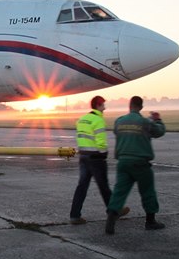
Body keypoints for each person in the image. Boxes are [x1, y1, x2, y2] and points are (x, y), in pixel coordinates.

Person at [105, 96, 166, 235]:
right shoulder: (144, 122)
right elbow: (159, 132)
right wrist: (157, 120)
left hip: (123, 162)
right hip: (140, 163)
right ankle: (150, 221)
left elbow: (117, 132)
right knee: (148, 192)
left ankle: (111, 217)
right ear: (141, 107)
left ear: (129, 106)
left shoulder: (119, 121)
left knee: (119, 192)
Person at [69, 96, 128, 224]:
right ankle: (115, 211)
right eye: (103, 105)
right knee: (104, 187)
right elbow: (101, 141)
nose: (105, 108)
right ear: (98, 105)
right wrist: (104, 154)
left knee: (82, 187)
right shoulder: (98, 120)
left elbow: (80, 137)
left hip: (83, 156)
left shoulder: (82, 119)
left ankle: (74, 215)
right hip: (96, 157)